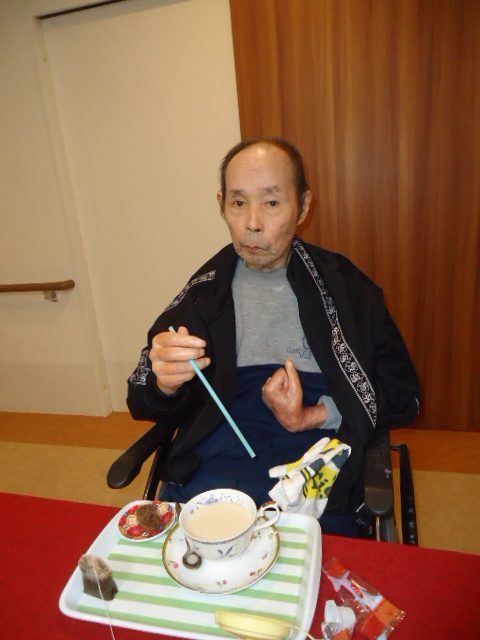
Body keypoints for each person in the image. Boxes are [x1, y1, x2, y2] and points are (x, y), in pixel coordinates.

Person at [127, 138, 420, 536]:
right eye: (238, 203)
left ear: (303, 205)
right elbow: (142, 398)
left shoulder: (348, 290)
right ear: (221, 205)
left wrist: (315, 414)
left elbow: (403, 396)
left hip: (319, 467)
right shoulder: (203, 294)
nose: (252, 223)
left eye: (271, 202)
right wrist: (164, 383)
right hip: (218, 462)